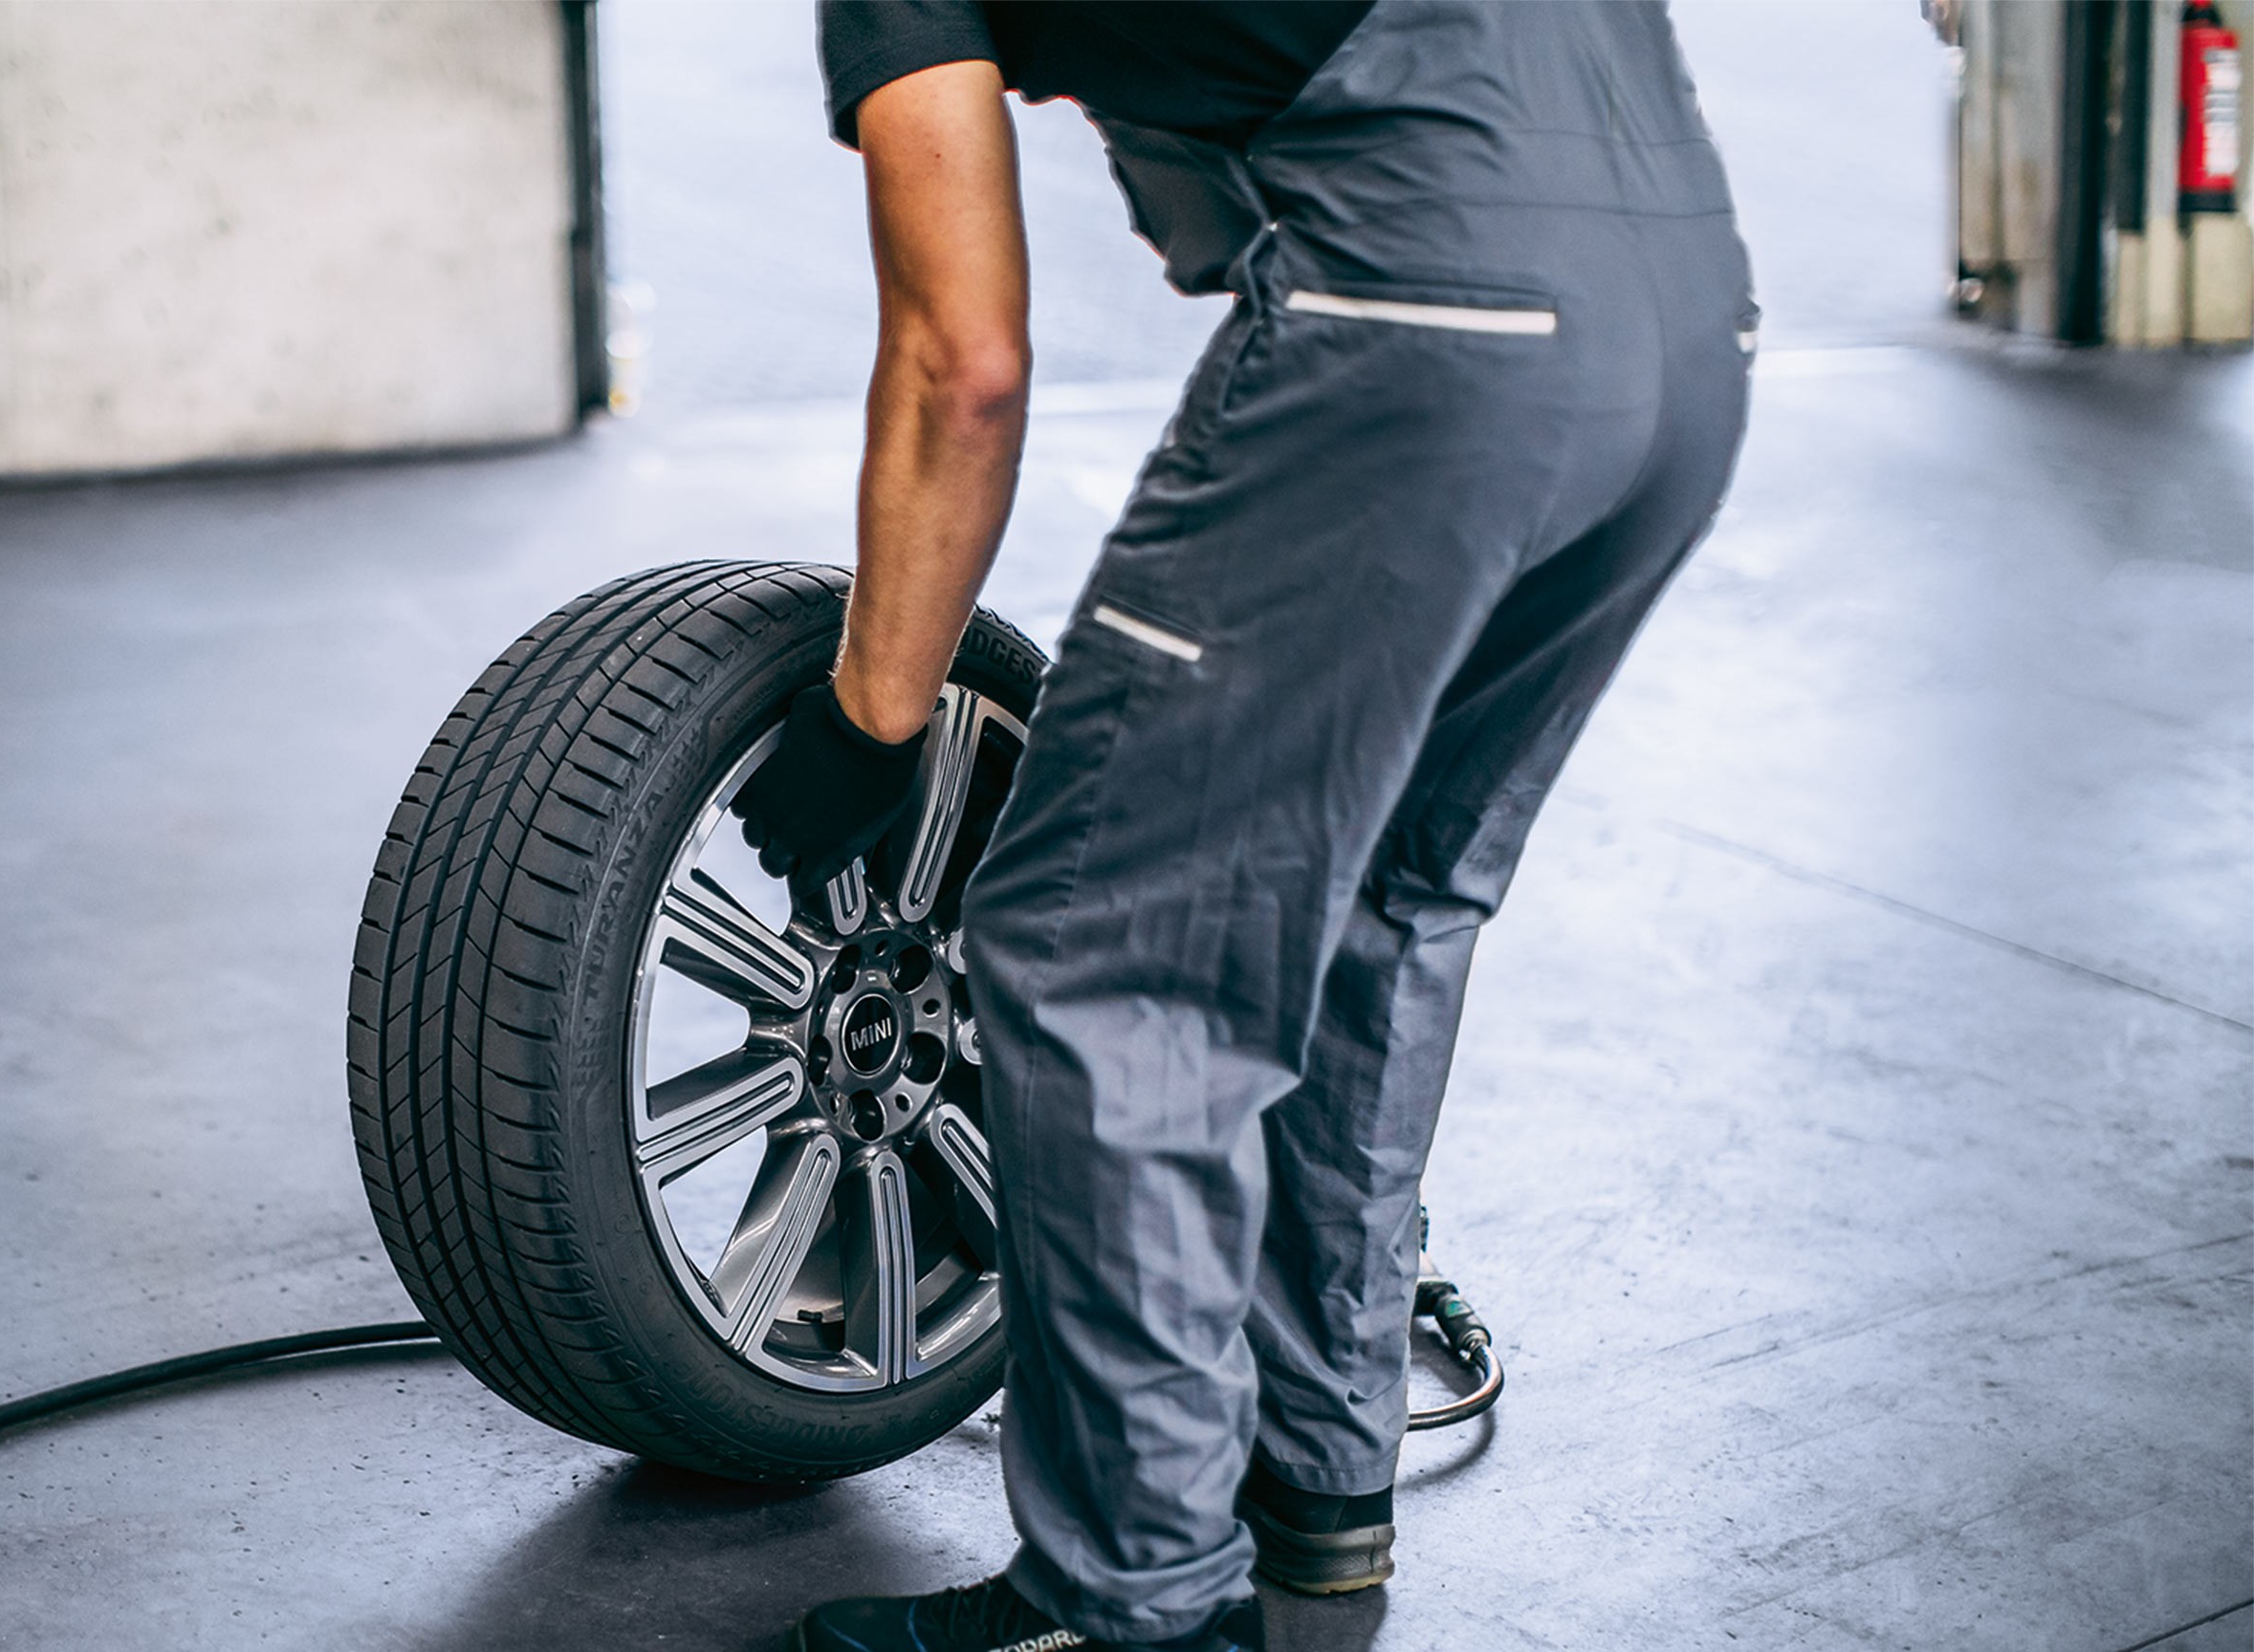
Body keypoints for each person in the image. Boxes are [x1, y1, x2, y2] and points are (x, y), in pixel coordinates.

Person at [728, 4, 1759, 1649]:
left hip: (1433, 327)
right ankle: (1318, 1491)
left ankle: (1132, 1597)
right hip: (1692, 338)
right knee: (1382, 900)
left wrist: (875, 708)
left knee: (1099, 946)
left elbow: (962, 363)